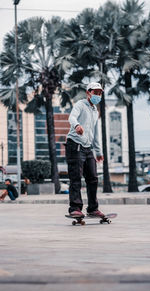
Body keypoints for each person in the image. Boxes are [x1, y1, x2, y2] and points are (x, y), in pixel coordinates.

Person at [65, 82, 104, 217]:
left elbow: (95, 133)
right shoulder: (80, 105)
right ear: (88, 93)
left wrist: (98, 152)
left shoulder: (95, 111)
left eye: (100, 93)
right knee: (76, 178)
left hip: (88, 148)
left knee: (93, 178)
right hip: (74, 145)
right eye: (95, 92)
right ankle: (75, 208)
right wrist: (76, 126)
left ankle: (93, 208)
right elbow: (72, 117)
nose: (98, 95)